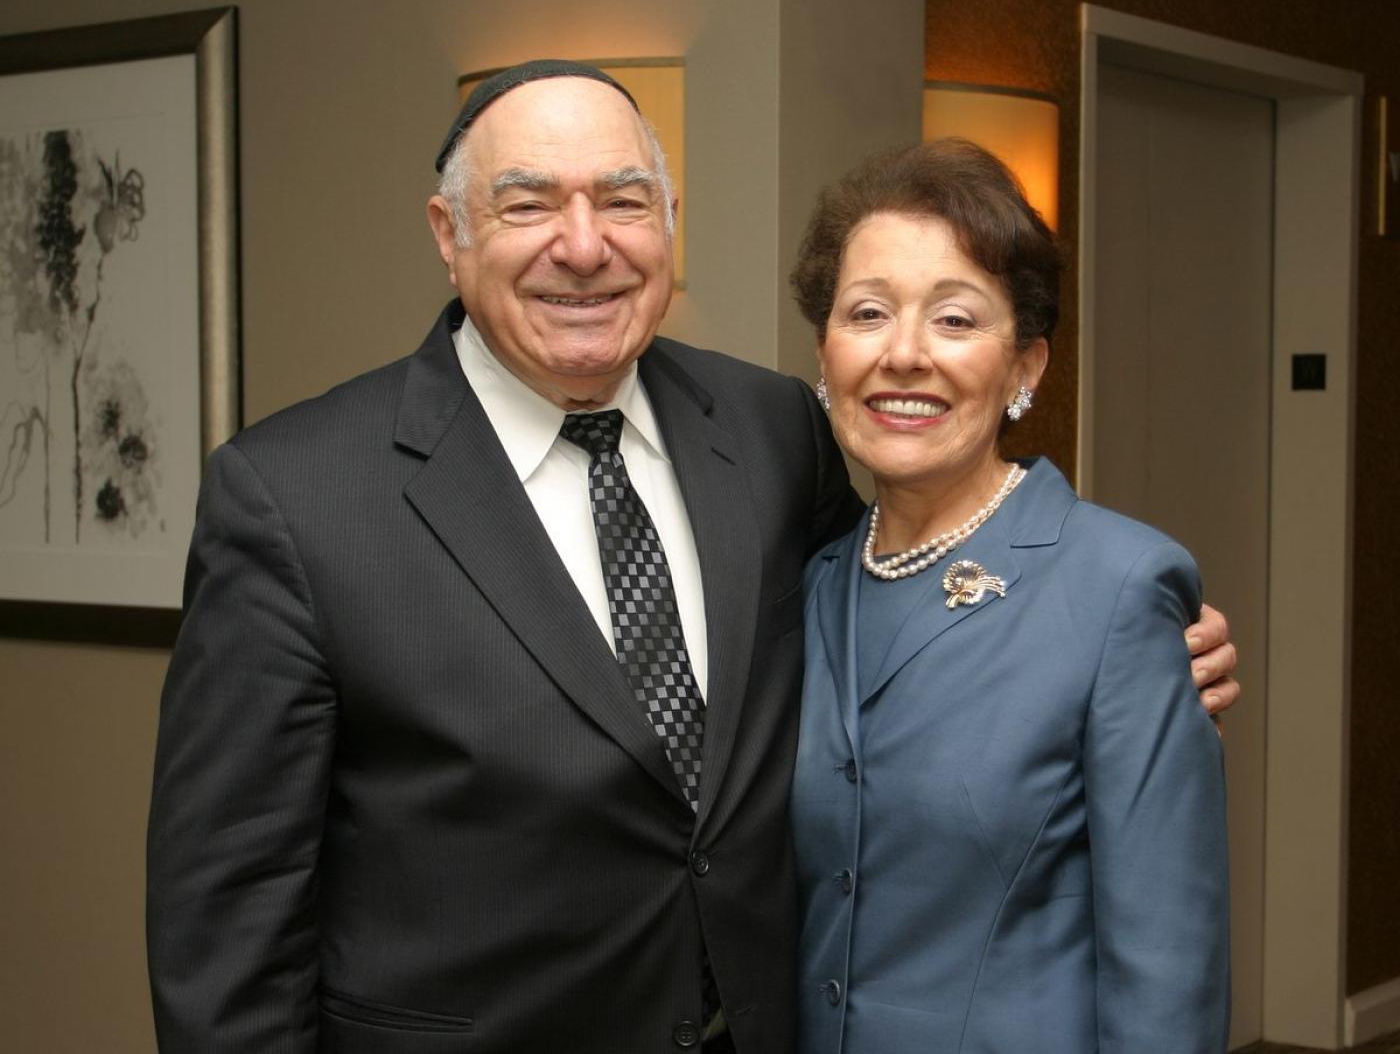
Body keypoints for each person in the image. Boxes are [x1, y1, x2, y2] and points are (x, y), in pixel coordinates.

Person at [146, 62, 1237, 1054]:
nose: (584, 245)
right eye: (527, 202)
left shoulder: (767, 432)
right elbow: (227, 925)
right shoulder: (294, 497)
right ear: (448, 231)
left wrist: (1123, 660)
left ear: (672, 221)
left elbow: (920, 617)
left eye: (623, 199)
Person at [790, 138, 1230, 1053]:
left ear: (1025, 368)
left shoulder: (1118, 587)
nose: (903, 355)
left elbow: (1167, 967)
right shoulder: (812, 581)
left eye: (955, 320)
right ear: (826, 354)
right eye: (867, 313)